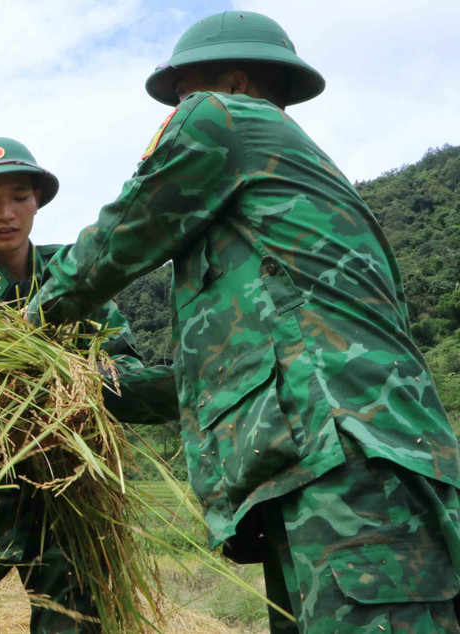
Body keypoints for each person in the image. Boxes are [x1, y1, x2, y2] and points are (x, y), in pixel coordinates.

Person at [27, 10, 460, 633]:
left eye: (184, 94)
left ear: (234, 83)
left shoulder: (224, 120)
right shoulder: (274, 226)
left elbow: (119, 237)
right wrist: (91, 386)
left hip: (352, 465)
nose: (176, 112)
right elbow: (215, 380)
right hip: (329, 469)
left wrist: (23, 324)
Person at [0, 137, 175, 633]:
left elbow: (122, 377)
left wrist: (188, 386)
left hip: (71, 491)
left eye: (19, 196)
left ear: (37, 201)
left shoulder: (79, 282)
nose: (6, 213)